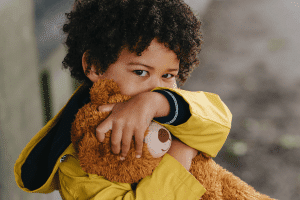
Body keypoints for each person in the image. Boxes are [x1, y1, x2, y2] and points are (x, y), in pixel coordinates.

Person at [14, 0, 232, 199]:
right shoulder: (81, 158)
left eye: (167, 76)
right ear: (95, 65)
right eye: (140, 72)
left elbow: (219, 120)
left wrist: (155, 103)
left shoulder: (165, 107)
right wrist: (180, 155)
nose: (155, 88)